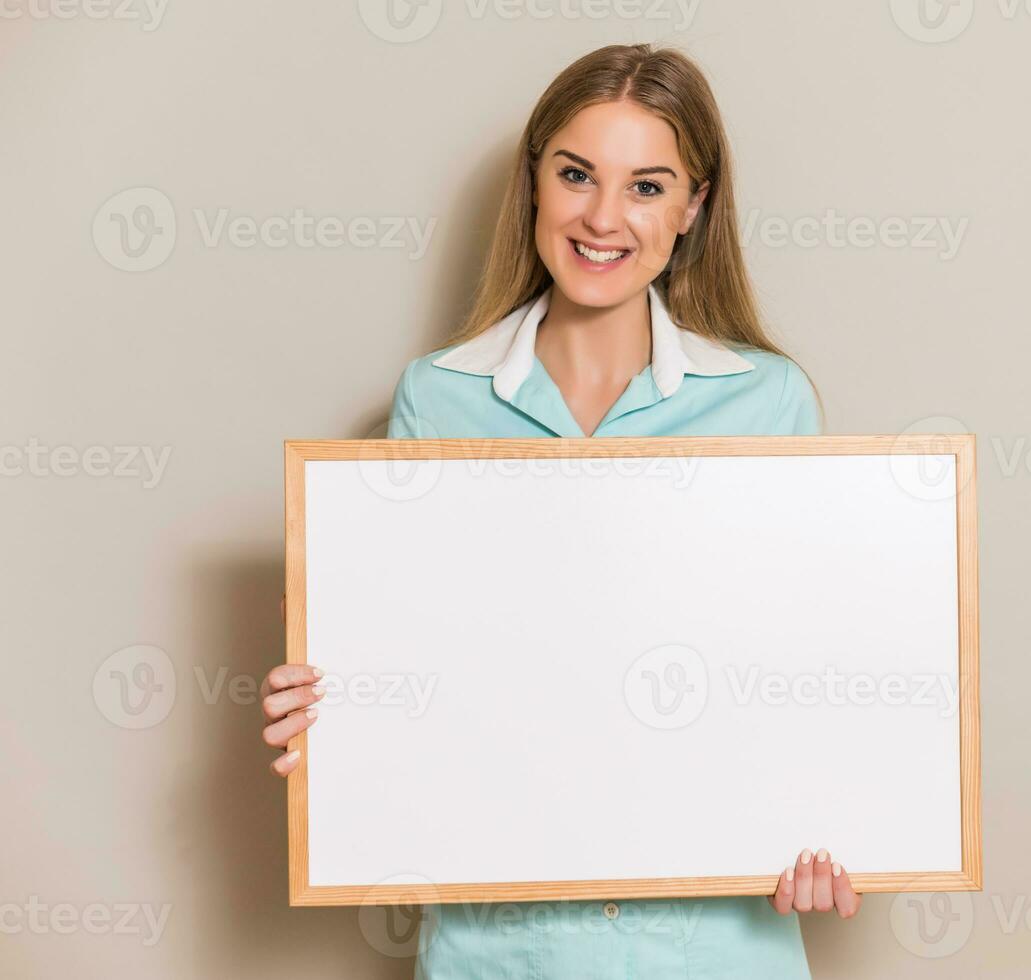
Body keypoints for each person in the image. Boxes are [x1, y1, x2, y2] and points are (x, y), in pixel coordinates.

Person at [261, 42, 860, 978]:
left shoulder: (769, 402)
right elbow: (419, 671)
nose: (603, 217)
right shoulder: (435, 399)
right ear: (533, 181)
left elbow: (811, 675)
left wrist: (838, 820)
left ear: (694, 207)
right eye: (576, 174)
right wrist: (333, 718)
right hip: (504, 951)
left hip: (711, 951)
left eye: (648, 186)